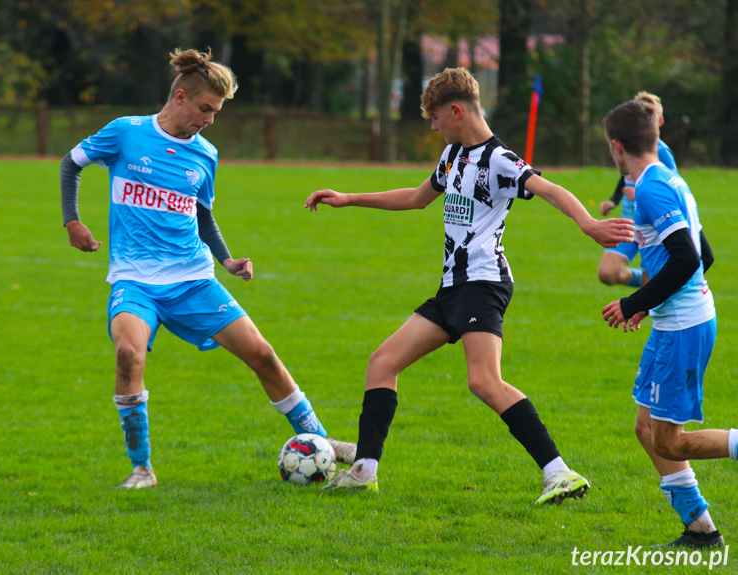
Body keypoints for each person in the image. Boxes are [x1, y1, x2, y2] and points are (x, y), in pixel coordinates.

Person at [304, 67, 634, 503]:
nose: (435, 127)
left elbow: (550, 188)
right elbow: (417, 197)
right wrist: (349, 198)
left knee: (483, 381)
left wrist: (588, 223)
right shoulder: (452, 157)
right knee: (382, 363)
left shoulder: (498, 159)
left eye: (437, 119)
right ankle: (364, 472)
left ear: (457, 111)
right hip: (452, 289)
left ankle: (560, 473)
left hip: (483, 284)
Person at [60, 48, 353, 489]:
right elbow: (72, 164)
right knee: (127, 354)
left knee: (263, 355)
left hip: (193, 280)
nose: (210, 119)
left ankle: (322, 441)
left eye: (216, 112)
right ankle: (142, 469)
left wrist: (227, 259)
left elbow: (202, 214)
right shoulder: (126, 133)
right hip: (135, 281)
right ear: (179, 97)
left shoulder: (206, 155)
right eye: (206, 109)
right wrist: (72, 220)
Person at [601, 100, 736, 548]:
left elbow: (689, 257)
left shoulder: (653, 189)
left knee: (671, 443)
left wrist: (633, 300)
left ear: (617, 147)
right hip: (673, 321)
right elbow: (706, 256)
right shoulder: (664, 179)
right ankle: (700, 529)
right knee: (646, 430)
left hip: (684, 327)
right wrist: (648, 306)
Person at [597, 92, 677, 288]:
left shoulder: (661, 152)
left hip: (654, 225)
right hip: (629, 223)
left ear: (659, 121)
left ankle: (654, 284)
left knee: (655, 285)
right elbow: (625, 176)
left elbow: (672, 188)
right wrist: (614, 200)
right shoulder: (629, 148)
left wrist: (641, 193)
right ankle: (650, 283)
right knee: (607, 272)